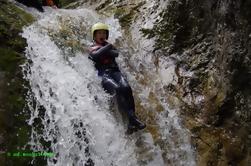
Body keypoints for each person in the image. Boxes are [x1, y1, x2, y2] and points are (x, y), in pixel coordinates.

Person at [88, 23, 146, 134]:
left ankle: (132, 121)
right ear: (94, 35)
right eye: (99, 33)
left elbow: (116, 54)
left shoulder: (107, 46)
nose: (102, 35)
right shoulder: (92, 46)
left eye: (104, 33)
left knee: (126, 88)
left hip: (115, 72)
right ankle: (132, 120)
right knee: (118, 90)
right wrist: (108, 47)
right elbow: (95, 56)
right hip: (103, 75)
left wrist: (106, 50)